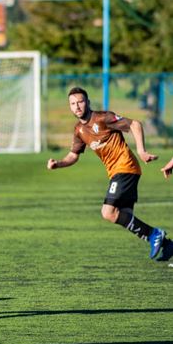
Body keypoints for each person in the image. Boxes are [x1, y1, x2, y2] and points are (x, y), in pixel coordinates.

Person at [47, 87, 172, 262]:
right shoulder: (79, 130)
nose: (77, 106)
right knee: (124, 215)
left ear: (88, 102)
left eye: (80, 102)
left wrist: (142, 151)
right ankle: (167, 245)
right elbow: (73, 155)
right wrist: (58, 164)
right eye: (73, 104)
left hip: (125, 167)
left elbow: (135, 124)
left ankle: (154, 234)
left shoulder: (103, 118)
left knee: (107, 212)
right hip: (117, 172)